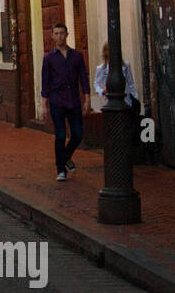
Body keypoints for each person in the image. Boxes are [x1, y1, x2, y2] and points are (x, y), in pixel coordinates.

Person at [41, 23, 90, 182]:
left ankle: (66, 156)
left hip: (74, 101)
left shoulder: (76, 56)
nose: (60, 36)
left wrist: (87, 98)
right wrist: (44, 104)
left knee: (78, 134)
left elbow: (83, 77)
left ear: (67, 35)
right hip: (57, 101)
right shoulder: (49, 58)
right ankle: (60, 169)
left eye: (62, 33)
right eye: (56, 33)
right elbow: (45, 82)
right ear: (53, 36)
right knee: (60, 135)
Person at [93, 42, 139, 113]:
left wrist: (134, 97)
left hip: (127, 100)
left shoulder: (125, 66)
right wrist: (102, 91)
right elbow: (96, 84)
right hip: (110, 102)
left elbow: (130, 83)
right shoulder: (101, 68)